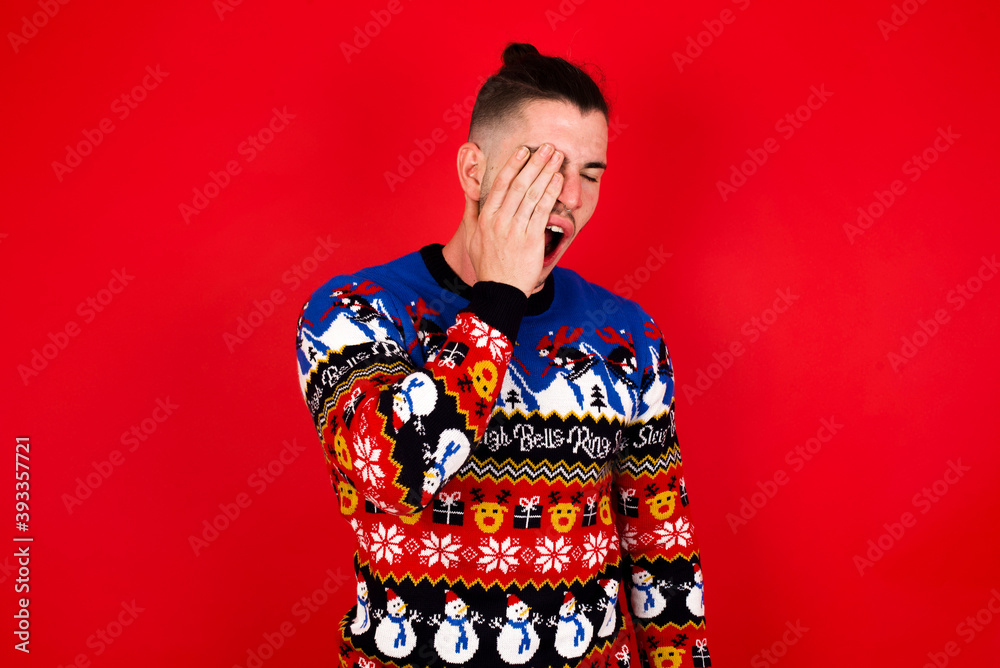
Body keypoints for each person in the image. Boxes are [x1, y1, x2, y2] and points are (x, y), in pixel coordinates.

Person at [295, 42, 711, 668]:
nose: (569, 195)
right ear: (473, 171)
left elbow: (661, 548)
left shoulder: (628, 335)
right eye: (544, 166)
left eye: (591, 174)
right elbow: (395, 477)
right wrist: (498, 302)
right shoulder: (355, 310)